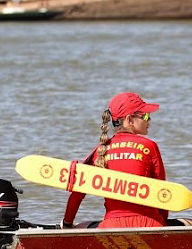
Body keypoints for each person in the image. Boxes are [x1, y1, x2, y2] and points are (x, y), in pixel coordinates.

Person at [63, 92, 172, 229]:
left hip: (110, 226)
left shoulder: (101, 150)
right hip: (149, 224)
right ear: (129, 120)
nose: (149, 120)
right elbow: (163, 191)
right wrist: (163, 223)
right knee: (190, 223)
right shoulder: (149, 146)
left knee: (81, 226)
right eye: (145, 115)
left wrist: (67, 224)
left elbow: (78, 193)